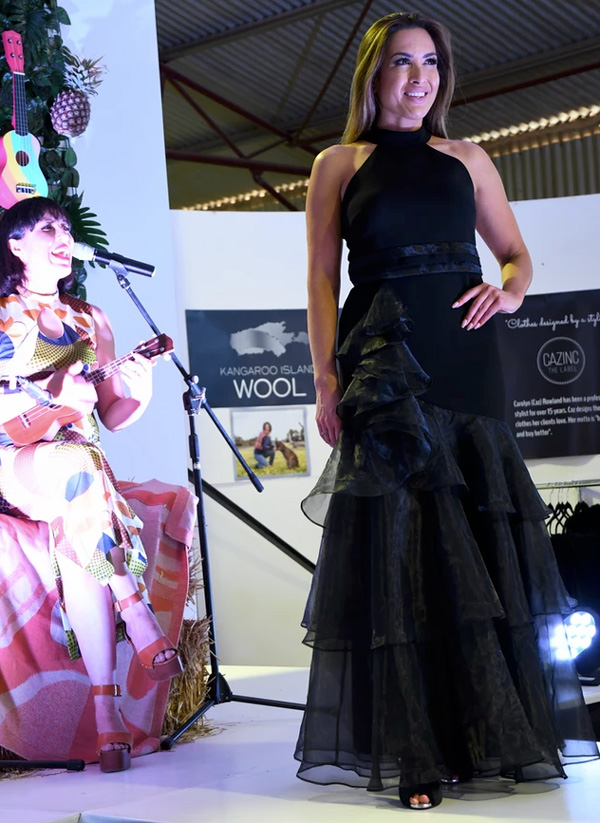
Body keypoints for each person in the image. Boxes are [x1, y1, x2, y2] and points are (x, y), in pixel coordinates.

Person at [294, 12, 598, 810]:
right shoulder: (338, 163)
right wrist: (326, 379)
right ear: (374, 74)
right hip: (384, 367)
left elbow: (517, 255)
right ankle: (416, 756)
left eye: (430, 62)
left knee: (478, 555)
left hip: (467, 366)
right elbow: (321, 278)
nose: (419, 77)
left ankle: (488, 738)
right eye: (402, 61)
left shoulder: (469, 158)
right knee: (400, 555)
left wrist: (511, 292)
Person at [0, 197, 183, 773]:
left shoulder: (90, 318)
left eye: (65, 227)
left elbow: (112, 414)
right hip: (15, 459)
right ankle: (137, 612)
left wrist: (140, 387)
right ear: (15, 245)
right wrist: (52, 399)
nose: (63, 236)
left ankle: (106, 714)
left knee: (83, 536)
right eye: (47, 228)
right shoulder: (3, 315)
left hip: (78, 474)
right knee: (76, 466)